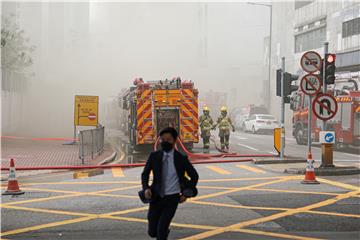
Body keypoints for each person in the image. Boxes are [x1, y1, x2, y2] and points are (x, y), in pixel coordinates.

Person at [141, 127, 199, 240]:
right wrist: (146, 188)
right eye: (162, 140)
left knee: (161, 230)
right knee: (152, 231)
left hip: (172, 199)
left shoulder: (181, 158)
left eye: (168, 140)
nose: (165, 142)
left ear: (175, 140)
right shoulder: (154, 156)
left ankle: (163, 233)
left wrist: (186, 193)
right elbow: (145, 174)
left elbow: (194, 176)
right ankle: (163, 232)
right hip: (156, 197)